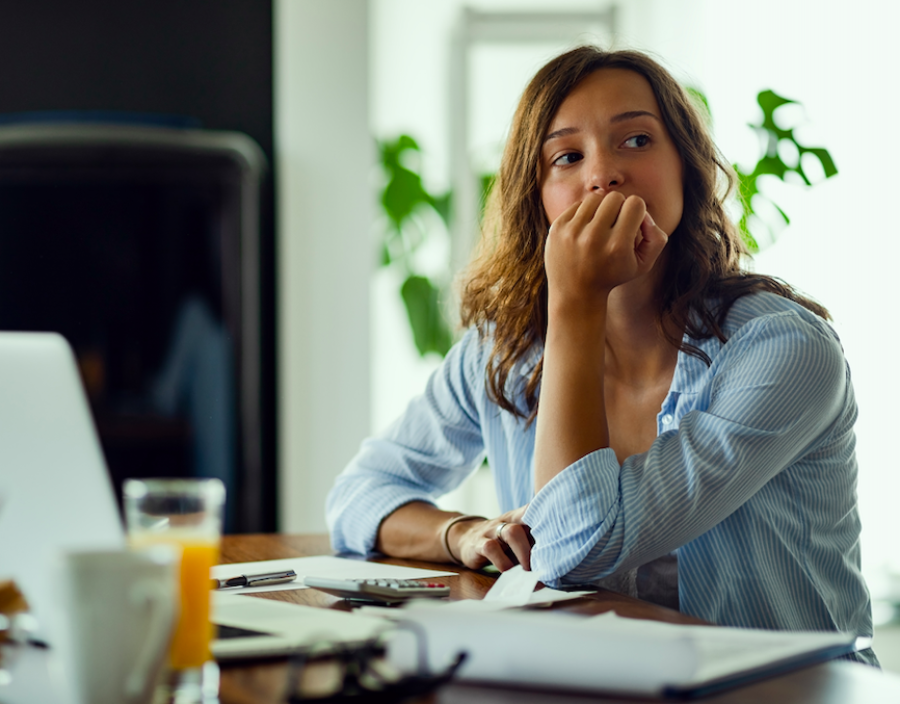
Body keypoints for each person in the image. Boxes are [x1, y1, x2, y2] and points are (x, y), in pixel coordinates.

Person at [326, 46, 876, 664]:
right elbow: (359, 497)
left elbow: (576, 547)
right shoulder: (503, 348)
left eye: (636, 141)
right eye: (568, 156)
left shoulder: (783, 351)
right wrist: (459, 534)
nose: (604, 174)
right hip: (601, 681)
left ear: (686, 169)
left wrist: (575, 303)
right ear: (536, 198)